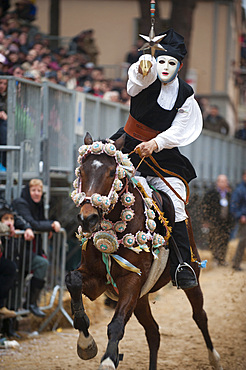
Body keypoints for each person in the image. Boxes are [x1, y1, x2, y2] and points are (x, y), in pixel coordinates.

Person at [111, 28, 203, 290]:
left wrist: (156, 143)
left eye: (171, 63)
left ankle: (182, 264)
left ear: (180, 66)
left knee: (175, 203)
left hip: (163, 157)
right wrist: (142, 67)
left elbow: (179, 129)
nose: (165, 67)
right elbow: (136, 81)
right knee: (104, 185)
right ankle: (92, 248)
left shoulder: (186, 94)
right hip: (128, 145)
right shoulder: (147, 74)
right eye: (161, 61)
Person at [12, 179, 61, 315]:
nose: (36, 193)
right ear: (28, 191)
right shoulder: (20, 203)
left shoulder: (38, 205)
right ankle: (30, 304)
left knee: (20, 283)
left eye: (39, 191)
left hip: (30, 249)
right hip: (17, 250)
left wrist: (49, 225)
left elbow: (40, 221)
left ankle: (30, 304)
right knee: (16, 285)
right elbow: (32, 223)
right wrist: (51, 225)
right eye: (33, 190)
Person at [202, 174, 234, 266]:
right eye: (221, 181)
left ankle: (222, 259)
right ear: (217, 182)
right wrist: (206, 220)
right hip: (214, 221)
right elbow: (205, 207)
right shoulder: (211, 193)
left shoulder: (229, 194)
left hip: (226, 221)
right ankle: (215, 258)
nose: (223, 183)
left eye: (224, 181)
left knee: (225, 240)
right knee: (214, 239)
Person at [230, 170, 246, 271]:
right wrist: (240, 216)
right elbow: (234, 206)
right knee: (242, 242)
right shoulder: (239, 190)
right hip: (244, 220)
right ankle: (236, 263)